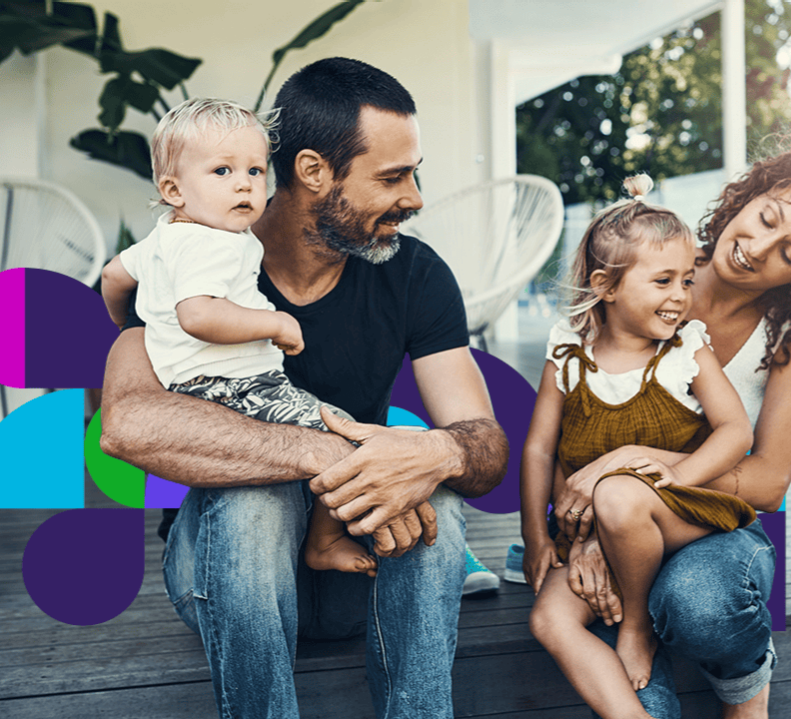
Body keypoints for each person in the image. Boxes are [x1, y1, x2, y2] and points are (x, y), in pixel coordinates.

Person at [99, 58, 510, 719]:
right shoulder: (191, 253)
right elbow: (128, 422)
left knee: (437, 494)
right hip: (227, 575)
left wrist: (440, 453)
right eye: (393, 176)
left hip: (363, 570)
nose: (415, 197)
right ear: (315, 171)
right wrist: (317, 452)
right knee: (254, 502)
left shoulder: (415, 273)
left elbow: (483, 442)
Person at [549, 150, 791, 719]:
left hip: (715, 522)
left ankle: (746, 683)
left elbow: (769, 482)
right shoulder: (647, 270)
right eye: (768, 218)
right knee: (596, 632)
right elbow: (569, 428)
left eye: (790, 253)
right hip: (618, 520)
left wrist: (633, 468)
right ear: (749, 195)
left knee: (698, 602)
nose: (757, 247)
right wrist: (586, 537)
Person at [101, 97, 378, 578]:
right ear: (173, 188)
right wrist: (277, 324)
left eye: (255, 170)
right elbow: (198, 316)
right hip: (236, 385)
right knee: (343, 434)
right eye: (222, 171)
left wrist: (126, 322)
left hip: (190, 388)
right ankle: (325, 540)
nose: (244, 184)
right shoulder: (212, 243)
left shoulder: (165, 236)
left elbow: (112, 276)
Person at [522, 175, 759, 719]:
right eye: (663, 281)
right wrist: (537, 536)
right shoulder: (568, 352)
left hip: (684, 510)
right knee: (549, 620)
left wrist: (672, 480)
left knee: (621, 497)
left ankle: (636, 626)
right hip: (604, 523)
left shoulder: (685, 351)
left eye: (685, 279)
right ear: (606, 286)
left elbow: (735, 432)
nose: (680, 296)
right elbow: (540, 449)